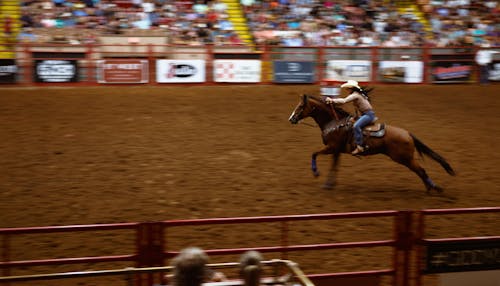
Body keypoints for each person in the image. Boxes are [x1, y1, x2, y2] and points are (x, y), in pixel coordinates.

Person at [325, 80, 375, 155]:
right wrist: (356, 117)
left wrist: (332, 100)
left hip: (368, 115)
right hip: (365, 114)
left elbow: (344, 101)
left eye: (348, 88)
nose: (347, 90)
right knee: (350, 123)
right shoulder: (358, 94)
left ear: (351, 88)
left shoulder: (355, 95)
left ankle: (359, 146)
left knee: (356, 126)